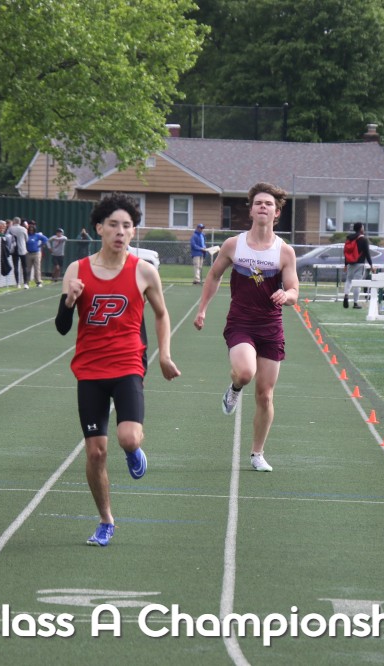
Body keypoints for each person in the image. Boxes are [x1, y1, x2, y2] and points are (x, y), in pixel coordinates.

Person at [56, 192, 180, 547]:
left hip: (128, 364)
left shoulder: (143, 271)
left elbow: (161, 314)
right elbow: (62, 327)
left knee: (128, 438)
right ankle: (106, 520)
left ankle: (134, 451)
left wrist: (164, 355)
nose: (120, 231)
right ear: (99, 228)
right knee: (96, 452)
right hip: (90, 369)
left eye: (127, 226)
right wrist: (70, 300)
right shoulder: (76, 270)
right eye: (113, 225)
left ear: (133, 231)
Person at [194, 182, 299, 473]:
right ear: (251, 210)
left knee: (265, 394)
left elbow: (294, 289)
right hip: (241, 322)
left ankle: (257, 453)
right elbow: (214, 275)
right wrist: (202, 309)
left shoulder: (284, 252)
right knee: (244, 372)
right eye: (258, 203)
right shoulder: (233, 245)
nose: (263, 207)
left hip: (271, 326)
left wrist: (286, 295)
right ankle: (235, 387)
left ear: (277, 213)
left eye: (269, 204)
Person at [342, 222, 374, 309]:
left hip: (350, 263)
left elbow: (346, 252)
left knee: (348, 280)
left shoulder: (349, 238)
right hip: (360, 264)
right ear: (360, 229)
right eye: (363, 227)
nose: (363, 229)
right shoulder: (364, 239)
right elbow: (367, 253)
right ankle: (355, 303)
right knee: (357, 283)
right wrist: (371, 265)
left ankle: (346, 295)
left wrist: (345, 264)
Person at [5, 217, 29, 288]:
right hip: (22, 249)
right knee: (24, 266)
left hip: (14, 249)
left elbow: (7, 237)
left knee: (15, 266)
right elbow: (26, 239)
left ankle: (17, 283)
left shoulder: (10, 228)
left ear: (14, 221)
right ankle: (25, 283)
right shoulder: (23, 229)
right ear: (20, 222)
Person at [25, 220, 48, 286]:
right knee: (28, 268)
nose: (31, 231)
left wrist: (41, 245)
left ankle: (38, 282)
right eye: (30, 230)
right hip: (28, 253)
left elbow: (45, 239)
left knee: (37, 268)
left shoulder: (37, 235)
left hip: (36, 253)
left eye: (32, 230)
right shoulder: (27, 235)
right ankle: (26, 282)